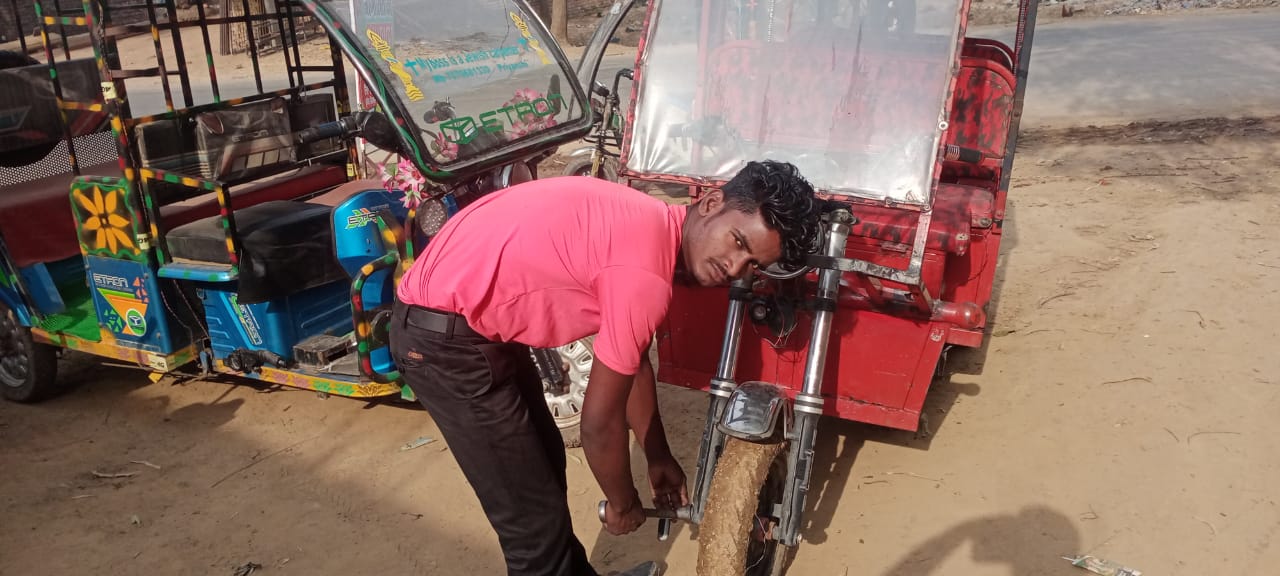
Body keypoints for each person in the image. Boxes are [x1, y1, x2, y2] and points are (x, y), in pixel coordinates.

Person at [389, 160, 822, 576]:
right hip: (444, 342)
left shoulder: (647, 220)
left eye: (751, 265)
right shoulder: (645, 275)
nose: (733, 268)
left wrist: (657, 454)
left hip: (470, 322)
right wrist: (622, 501)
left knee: (543, 463)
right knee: (531, 530)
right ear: (710, 203)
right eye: (738, 243)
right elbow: (598, 426)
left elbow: (630, 363)